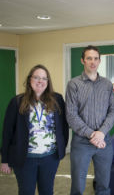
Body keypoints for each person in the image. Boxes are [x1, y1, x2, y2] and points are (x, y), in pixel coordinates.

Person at [0, 64, 69, 195]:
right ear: (29, 79)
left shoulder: (57, 99)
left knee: (47, 191)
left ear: (48, 82)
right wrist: (4, 159)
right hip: (25, 158)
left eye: (44, 78)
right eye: (36, 77)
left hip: (50, 157)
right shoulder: (17, 102)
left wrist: (61, 147)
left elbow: (64, 126)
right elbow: (7, 132)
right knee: (26, 192)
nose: (40, 81)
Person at [66, 45, 114, 195]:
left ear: (100, 61)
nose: (92, 62)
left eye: (96, 58)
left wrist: (101, 133)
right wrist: (92, 135)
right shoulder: (74, 84)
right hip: (82, 142)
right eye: (89, 58)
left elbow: (113, 110)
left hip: (104, 142)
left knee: (104, 185)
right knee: (78, 186)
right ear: (83, 60)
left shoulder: (107, 84)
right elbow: (71, 115)